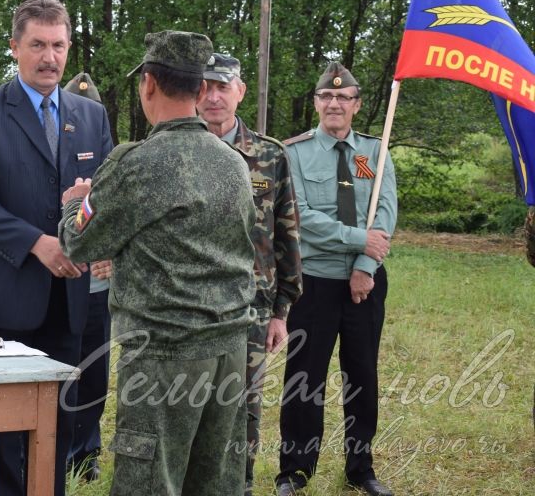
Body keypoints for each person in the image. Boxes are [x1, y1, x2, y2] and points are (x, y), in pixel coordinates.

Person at [59, 30, 256, 496]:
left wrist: (76, 202)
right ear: (202, 89)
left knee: (149, 482)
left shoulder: (139, 162)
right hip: (229, 348)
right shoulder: (232, 161)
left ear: (148, 83)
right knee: (214, 481)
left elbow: (77, 242)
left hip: (165, 354)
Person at [0, 0, 114, 496]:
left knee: (59, 422)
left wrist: (91, 220)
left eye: (59, 45)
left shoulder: (91, 115)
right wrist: (37, 243)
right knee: (1, 428)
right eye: (38, 45)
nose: (50, 57)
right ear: (14, 48)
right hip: (2, 292)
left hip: (70, 295)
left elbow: (107, 195)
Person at [275, 62, 397, 496]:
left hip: (365, 283)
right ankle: (294, 471)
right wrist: (357, 239)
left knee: (362, 374)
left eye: (344, 98)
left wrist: (365, 266)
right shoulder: (294, 153)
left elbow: (385, 211)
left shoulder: (374, 154)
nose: (335, 103)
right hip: (314, 282)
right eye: (326, 96)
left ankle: (360, 469)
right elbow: (300, 217)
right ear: (316, 103)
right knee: (305, 377)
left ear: (357, 105)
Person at [197, 53, 302, 496]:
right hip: (191, 303)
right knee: (189, 402)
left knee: (245, 407)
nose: (214, 96)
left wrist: (281, 311)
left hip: (251, 309)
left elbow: (287, 235)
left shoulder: (269, 156)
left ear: (240, 92)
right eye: (205, 86)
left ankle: (238, 487)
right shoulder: (176, 150)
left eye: (224, 87)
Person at [61, 71, 112, 483]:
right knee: (62, 368)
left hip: (97, 280)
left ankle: (86, 451)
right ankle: (57, 447)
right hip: (57, 276)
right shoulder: (46, 146)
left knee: (95, 370)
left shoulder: (112, 156)